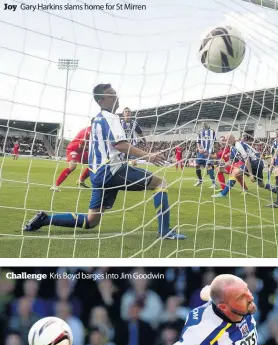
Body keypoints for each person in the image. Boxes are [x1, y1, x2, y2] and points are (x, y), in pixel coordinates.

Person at [24, 83, 185, 240]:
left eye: (116, 94)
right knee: (160, 184)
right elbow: (120, 145)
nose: (116, 97)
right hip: (112, 170)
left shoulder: (97, 120)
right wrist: (148, 156)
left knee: (91, 221)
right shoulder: (112, 118)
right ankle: (164, 232)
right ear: (101, 101)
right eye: (111, 95)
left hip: (98, 174)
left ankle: (44, 219)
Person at [50, 126, 91, 191]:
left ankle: (81, 181)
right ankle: (55, 186)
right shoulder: (88, 132)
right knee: (72, 167)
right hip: (73, 149)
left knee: (94, 163)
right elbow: (81, 145)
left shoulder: (94, 131)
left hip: (82, 151)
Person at [194, 121, 217, 187]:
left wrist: (215, 151)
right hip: (201, 152)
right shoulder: (200, 132)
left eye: (205, 122)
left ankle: (213, 183)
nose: (203, 123)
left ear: (207, 123)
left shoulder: (212, 131)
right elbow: (198, 142)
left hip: (209, 152)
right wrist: (199, 149)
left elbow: (215, 142)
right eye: (202, 122)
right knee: (197, 165)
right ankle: (200, 180)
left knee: (208, 166)